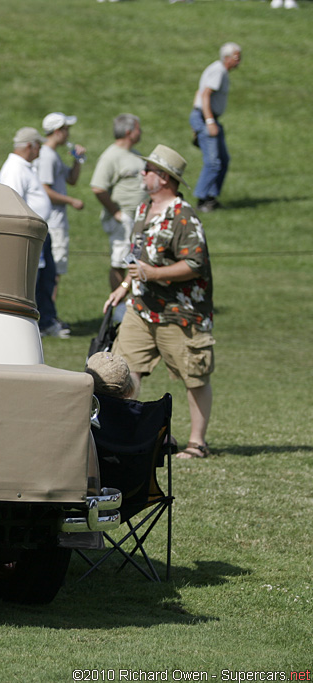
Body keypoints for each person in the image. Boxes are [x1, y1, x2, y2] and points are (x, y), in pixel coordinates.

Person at [103, 145, 214, 460]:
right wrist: (125, 285)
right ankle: (124, 434)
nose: (143, 174)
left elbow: (195, 265)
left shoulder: (184, 217)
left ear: (164, 178)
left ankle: (197, 444)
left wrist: (153, 273)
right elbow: (136, 256)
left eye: (148, 170)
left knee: (194, 376)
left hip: (180, 315)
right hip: (141, 310)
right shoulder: (143, 210)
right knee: (122, 370)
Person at [0, 127, 67, 339]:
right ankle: (29, 324)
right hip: (29, 236)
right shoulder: (15, 169)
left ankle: (45, 321)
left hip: (39, 233)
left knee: (45, 278)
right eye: (38, 146)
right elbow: (13, 204)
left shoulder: (25, 167)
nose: (40, 150)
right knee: (31, 280)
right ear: (30, 146)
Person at [90, 113, 147, 294]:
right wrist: (116, 212)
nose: (141, 132)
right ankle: (119, 307)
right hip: (123, 219)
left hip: (139, 218)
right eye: (139, 128)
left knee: (136, 259)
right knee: (120, 261)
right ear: (129, 132)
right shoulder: (111, 156)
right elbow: (98, 187)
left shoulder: (134, 154)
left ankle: (133, 301)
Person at [35, 112, 85, 305]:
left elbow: (71, 179)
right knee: (53, 273)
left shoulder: (52, 155)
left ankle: (49, 314)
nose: (68, 133)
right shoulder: (48, 156)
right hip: (53, 223)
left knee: (54, 272)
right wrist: (72, 201)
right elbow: (45, 190)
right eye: (66, 129)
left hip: (56, 222)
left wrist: (77, 160)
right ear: (57, 131)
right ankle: (49, 315)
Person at [189, 42, 242, 213]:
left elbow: (199, 93)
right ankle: (202, 200)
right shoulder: (218, 71)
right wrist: (209, 122)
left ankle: (211, 197)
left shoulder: (219, 70)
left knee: (223, 160)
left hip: (206, 117)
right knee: (213, 163)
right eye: (236, 57)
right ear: (226, 58)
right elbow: (205, 95)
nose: (239, 60)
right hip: (207, 118)